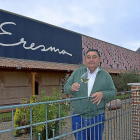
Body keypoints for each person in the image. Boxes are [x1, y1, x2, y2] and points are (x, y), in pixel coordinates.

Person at [64, 49, 116, 140]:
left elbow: (113, 92)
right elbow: (66, 87)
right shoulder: (77, 72)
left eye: (94, 57)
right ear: (85, 59)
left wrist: (102, 94)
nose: (91, 59)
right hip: (78, 115)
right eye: (88, 57)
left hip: (97, 116)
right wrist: (71, 88)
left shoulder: (105, 75)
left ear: (99, 59)